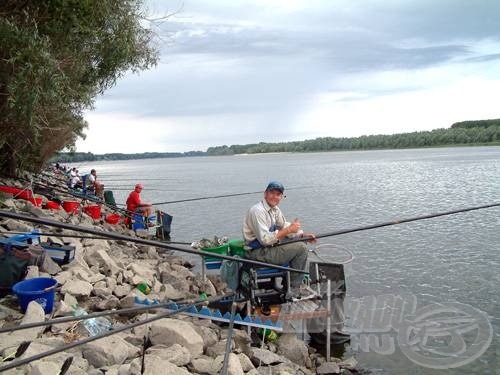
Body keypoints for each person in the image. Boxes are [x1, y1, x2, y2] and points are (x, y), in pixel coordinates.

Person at [243, 181, 316, 292]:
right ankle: (294, 287)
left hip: (268, 247)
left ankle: (289, 280)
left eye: (278, 194)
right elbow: (265, 239)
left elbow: (284, 225)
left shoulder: (274, 209)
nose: (275, 197)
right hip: (257, 252)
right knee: (301, 249)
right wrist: (289, 230)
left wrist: (302, 234)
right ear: (265, 194)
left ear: (281, 197)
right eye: (272, 193)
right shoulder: (257, 211)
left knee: (301, 241)